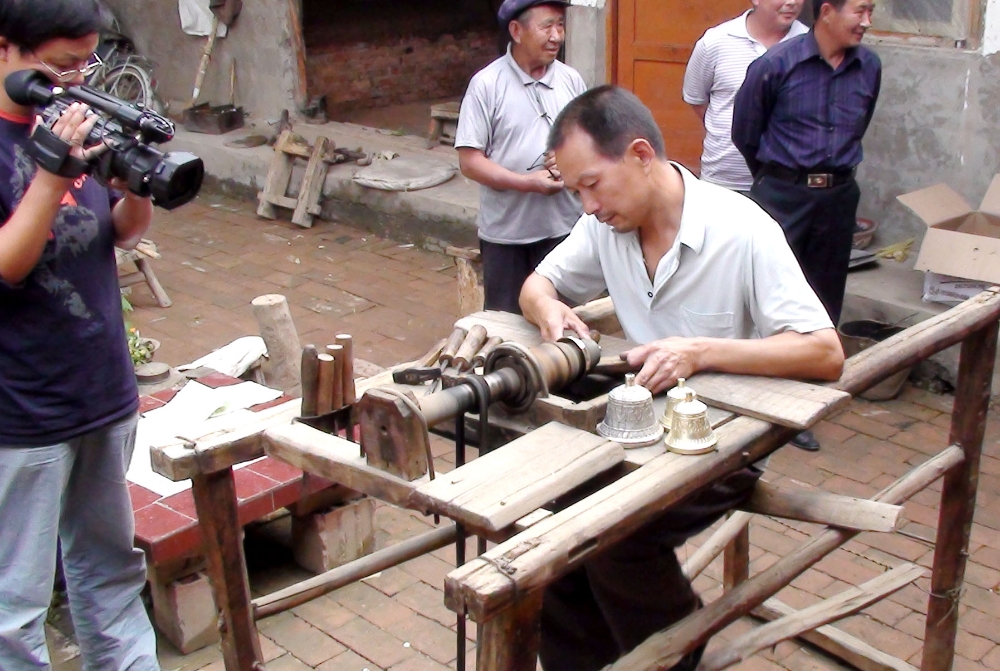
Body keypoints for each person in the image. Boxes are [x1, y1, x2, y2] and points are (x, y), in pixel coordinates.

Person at [519, 85, 844, 670]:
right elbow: (537, 285)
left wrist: (699, 352)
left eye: (592, 185)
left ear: (641, 155)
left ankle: (676, 656)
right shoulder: (605, 226)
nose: (587, 207)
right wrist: (550, 310)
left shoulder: (742, 229)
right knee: (554, 532)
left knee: (617, 540)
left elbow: (824, 352)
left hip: (725, 441)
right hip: (636, 427)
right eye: (575, 193)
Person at [0, 1, 160, 669]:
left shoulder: (65, 118)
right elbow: (7, 266)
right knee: (15, 606)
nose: (77, 81)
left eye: (86, 65)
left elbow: (118, 233)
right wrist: (52, 173)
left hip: (101, 391)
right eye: (63, 65)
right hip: (23, 412)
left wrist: (137, 185)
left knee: (111, 575)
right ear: (5, 48)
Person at [732, 0, 880, 449]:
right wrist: (781, 180)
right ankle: (754, 397)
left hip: (838, 196)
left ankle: (804, 401)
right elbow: (745, 132)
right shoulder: (776, 65)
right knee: (767, 294)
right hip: (783, 195)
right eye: (860, 10)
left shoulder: (869, 68)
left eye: (871, 10)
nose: (867, 22)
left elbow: (859, 126)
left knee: (824, 296)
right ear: (828, 11)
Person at [455, 0, 587, 314]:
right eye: (547, 26)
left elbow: (589, 146)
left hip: (565, 230)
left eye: (560, 25)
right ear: (516, 31)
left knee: (566, 321)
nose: (557, 36)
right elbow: (470, 161)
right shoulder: (487, 85)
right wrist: (526, 182)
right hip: (507, 236)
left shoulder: (571, 80)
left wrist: (569, 159)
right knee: (506, 323)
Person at [682, 0, 807, 192]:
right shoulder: (716, 41)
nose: (792, 2)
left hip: (786, 185)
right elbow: (697, 99)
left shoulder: (811, 45)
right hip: (723, 181)